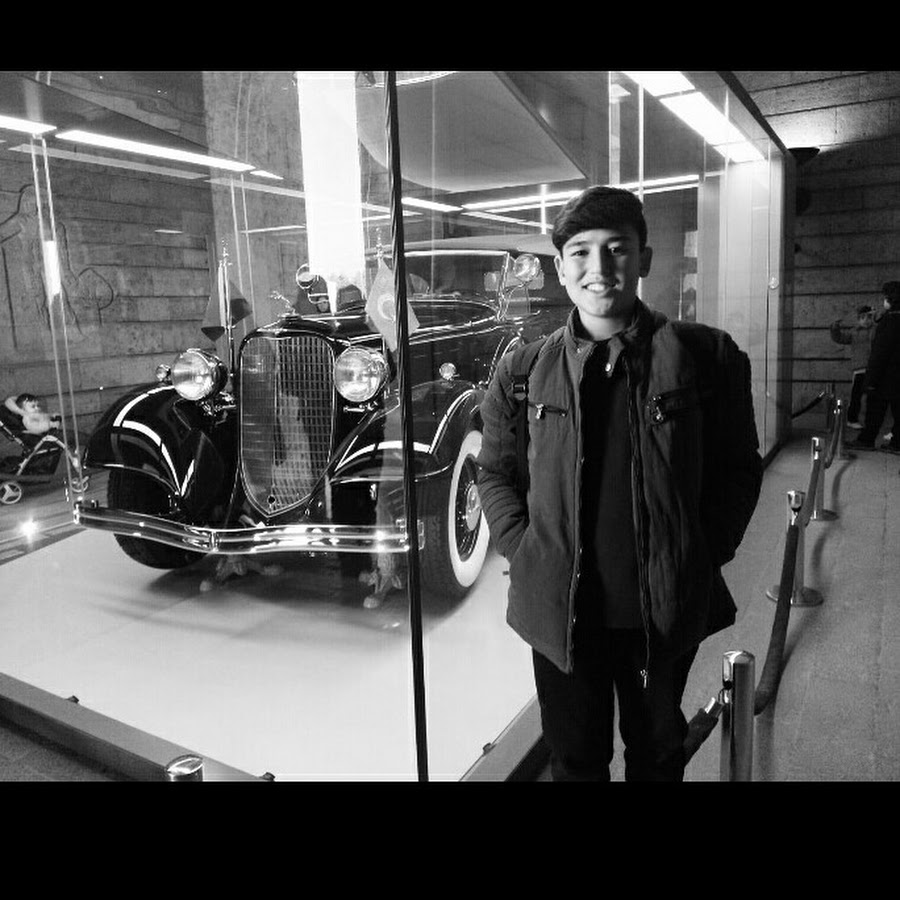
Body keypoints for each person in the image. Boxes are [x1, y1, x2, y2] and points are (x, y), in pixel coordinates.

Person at [476, 186, 763, 781]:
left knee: (656, 755)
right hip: (560, 612)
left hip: (660, 613)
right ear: (560, 268)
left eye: (616, 248)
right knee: (575, 760)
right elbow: (495, 472)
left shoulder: (706, 357)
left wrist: (701, 551)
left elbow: (738, 467)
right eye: (580, 252)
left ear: (644, 258)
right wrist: (524, 550)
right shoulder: (523, 371)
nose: (599, 268)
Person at [848, 281, 900, 453]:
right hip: (895, 374)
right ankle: (896, 443)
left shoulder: (891, 320)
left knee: (875, 408)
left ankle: (867, 440)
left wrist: (871, 379)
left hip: (886, 375)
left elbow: (880, 352)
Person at [830, 304, 876, 427]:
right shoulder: (855, 332)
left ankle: (870, 420)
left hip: (873, 367)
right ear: (858, 319)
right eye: (863, 318)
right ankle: (852, 419)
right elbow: (840, 338)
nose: (866, 320)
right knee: (856, 396)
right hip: (860, 368)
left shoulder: (875, 330)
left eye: (868, 317)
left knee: (872, 396)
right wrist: (835, 328)